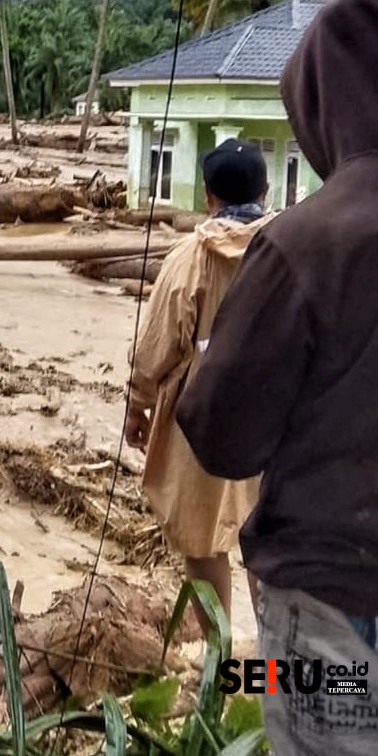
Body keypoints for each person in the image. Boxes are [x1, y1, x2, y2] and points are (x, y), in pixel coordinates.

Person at [176, 0, 378, 756]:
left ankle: (225, 666)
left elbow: (221, 434)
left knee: (307, 702)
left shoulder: (316, 240)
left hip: (342, 612)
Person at [124, 138, 275, 636]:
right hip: (281, 418)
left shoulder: (187, 259)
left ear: (208, 197)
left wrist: (138, 407)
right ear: (267, 192)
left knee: (204, 539)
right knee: (268, 541)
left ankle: (221, 666)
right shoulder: (294, 247)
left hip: (201, 418)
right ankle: (276, 673)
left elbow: (154, 350)